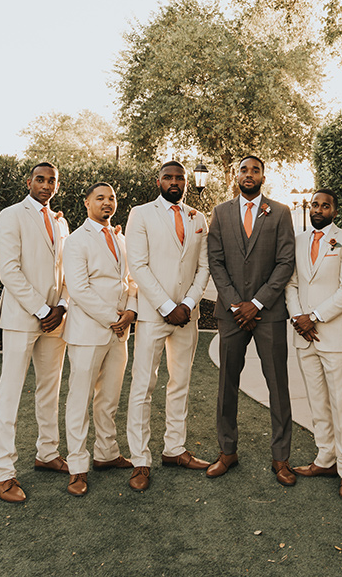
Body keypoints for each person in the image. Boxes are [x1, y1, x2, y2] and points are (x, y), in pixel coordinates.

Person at [207, 156, 296, 486]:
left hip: (269, 313)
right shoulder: (220, 213)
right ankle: (227, 452)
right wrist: (235, 305)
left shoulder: (281, 212)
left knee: (278, 386)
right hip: (230, 316)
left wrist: (256, 303)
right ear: (236, 175)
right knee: (226, 385)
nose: (249, 175)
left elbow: (285, 263)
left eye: (255, 170)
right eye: (244, 170)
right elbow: (216, 263)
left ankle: (281, 458)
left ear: (262, 176)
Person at [125, 161, 210, 491]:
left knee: (181, 383)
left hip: (187, 316)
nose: (175, 182)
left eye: (180, 178)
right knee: (143, 386)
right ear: (158, 180)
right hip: (153, 314)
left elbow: (203, 268)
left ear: (186, 183)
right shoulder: (141, 214)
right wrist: (166, 306)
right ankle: (140, 460)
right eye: (169, 177)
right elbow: (139, 266)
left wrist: (187, 304)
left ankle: (174, 448)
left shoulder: (198, 218)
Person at [0, 162, 69, 502]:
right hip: (24, 317)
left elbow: (69, 270)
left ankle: (48, 453)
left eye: (52, 180)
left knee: (49, 390)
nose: (46, 185)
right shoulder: (11, 215)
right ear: (29, 182)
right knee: (9, 394)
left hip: (56, 320)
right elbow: (8, 271)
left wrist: (62, 307)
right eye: (40, 179)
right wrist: (41, 310)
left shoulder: (62, 221)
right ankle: (1, 472)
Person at [285, 189, 342, 501]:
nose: (318, 209)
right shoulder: (298, 240)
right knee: (317, 401)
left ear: (335, 210)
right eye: (315, 204)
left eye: (325, 205)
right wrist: (298, 318)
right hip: (304, 336)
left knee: (341, 405)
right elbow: (291, 284)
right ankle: (325, 459)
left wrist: (314, 317)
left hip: (332, 334)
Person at [62, 183, 137, 496]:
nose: (107, 203)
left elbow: (131, 280)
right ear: (87, 203)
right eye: (100, 198)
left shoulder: (120, 238)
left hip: (119, 333)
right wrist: (113, 319)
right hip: (88, 332)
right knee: (79, 400)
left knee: (108, 398)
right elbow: (78, 289)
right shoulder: (76, 240)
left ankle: (106, 453)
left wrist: (131, 312)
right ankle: (77, 467)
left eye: (112, 198)